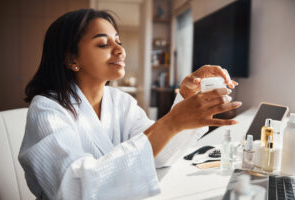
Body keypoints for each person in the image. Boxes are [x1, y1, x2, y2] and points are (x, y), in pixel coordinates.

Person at [18, 8, 241, 200]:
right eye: (104, 43)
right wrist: (172, 122)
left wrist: (185, 100)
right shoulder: (47, 110)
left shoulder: (120, 101)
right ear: (71, 59)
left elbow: (158, 157)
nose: (120, 50)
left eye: (119, 41)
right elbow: (75, 189)